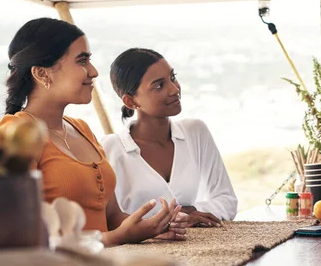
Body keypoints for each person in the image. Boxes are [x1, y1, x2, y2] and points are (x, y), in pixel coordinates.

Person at [0, 18, 188, 246]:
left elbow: (112, 217)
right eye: (82, 61)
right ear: (42, 73)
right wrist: (118, 238)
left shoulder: (82, 129)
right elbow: (18, 239)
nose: (94, 72)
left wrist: (151, 227)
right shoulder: (14, 136)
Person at [101, 48, 238, 227]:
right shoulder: (110, 149)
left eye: (172, 78)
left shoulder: (195, 132)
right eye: (159, 86)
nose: (174, 89)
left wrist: (190, 212)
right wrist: (179, 217)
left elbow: (227, 200)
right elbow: (110, 220)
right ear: (131, 101)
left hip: (197, 250)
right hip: (138, 254)